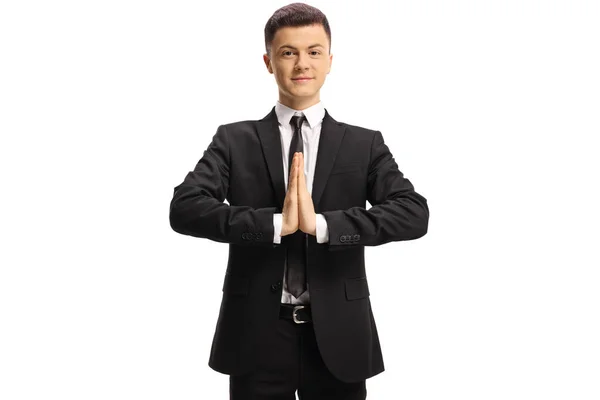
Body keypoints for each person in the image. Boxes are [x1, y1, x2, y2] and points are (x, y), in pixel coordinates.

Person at [169, 2, 429, 399]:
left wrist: (323, 225)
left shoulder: (364, 143)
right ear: (268, 62)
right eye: (288, 52)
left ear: (329, 60)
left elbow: (414, 214)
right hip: (256, 334)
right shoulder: (233, 140)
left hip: (339, 335)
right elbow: (185, 207)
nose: (301, 63)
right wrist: (275, 225)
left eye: (313, 51)